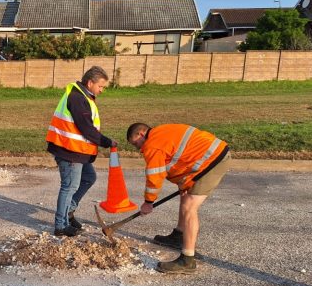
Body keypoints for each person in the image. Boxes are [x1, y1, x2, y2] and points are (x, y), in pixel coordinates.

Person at [126, 122, 232, 274]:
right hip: (211, 157)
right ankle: (178, 235)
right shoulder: (162, 131)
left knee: (189, 207)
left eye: (136, 144)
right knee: (185, 197)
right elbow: (182, 156)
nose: (139, 149)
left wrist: (148, 202)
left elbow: (155, 176)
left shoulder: (152, 144)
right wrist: (184, 182)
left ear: (142, 134)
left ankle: (187, 260)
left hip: (213, 161)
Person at [46, 65, 116, 237]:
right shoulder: (77, 98)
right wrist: (107, 142)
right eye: (101, 86)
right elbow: (86, 128)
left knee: (89, 178)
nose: (102, 90)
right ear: (90, 82)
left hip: (78, 151)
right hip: (68, 151)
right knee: (69, 187)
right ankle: (60, 226)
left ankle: (69, 211)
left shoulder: (85, 96)